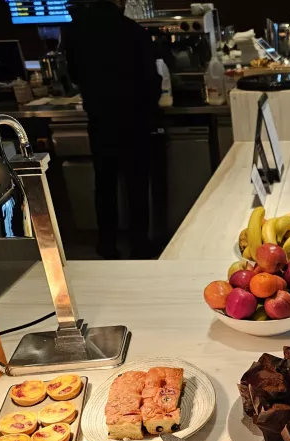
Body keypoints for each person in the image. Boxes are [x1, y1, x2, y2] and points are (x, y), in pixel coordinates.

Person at [66, 0, 161, 259]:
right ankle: (139, 244)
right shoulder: (135, 33)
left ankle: (106, 244)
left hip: (100, 119)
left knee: (105, 185)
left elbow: (73, 75)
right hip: (133, 120)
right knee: (136, 185)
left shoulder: (76, 32)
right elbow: (151, 80)